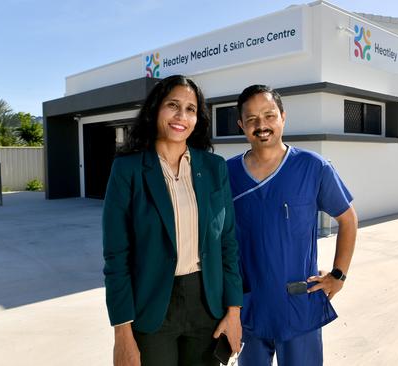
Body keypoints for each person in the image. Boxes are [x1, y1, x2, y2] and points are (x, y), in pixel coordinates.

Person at [102, 75, 243, 366]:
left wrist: (234, 311)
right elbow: (116, 256)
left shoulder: (214, 168)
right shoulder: (127, 170)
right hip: (151, 308)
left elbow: (228, 244)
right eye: (173, 105)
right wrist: (122, 333)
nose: (182, 116)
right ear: (156, 110)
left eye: (191, 109)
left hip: (208, 305)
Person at [227, 85, 358, 366]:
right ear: (241, 125)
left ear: (283, 117)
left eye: (269, 115)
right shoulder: (228, 174)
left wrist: (339, 274)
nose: (261, 125)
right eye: (251, 119)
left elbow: (348, 219)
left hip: (298, 304)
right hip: (251, 306)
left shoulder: (313, 167)